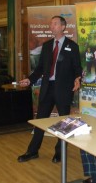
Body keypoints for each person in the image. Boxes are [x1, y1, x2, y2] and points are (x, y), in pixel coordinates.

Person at [17, 16, 82, 163]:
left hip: (64, 90)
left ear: (63, 27)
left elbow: (77, 68)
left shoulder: (72, 46)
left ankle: (60, 153)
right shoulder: (46, 46)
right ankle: (32, 151)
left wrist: (78, 79)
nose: (52, 26)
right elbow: (40, 69)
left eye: (55, 23)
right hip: (47, 88)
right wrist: (30, 79)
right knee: (40, 121)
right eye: (51, 24)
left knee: (63, 123)